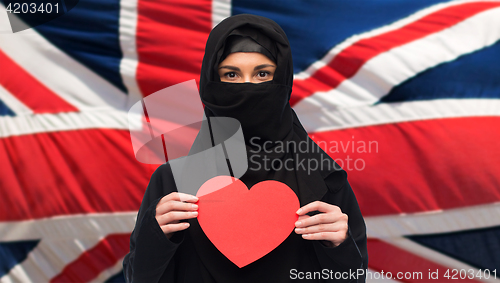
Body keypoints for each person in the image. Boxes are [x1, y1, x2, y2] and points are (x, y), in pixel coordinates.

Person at [123, 14, 368, 282]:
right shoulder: (173, 181)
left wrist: (340, 246)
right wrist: (155, 236)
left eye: (263, 74)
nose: (247, 87)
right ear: (210, 82)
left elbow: (352, 278)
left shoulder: (323, 180)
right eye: (231, 75)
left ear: (283, 79)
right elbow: (139, 278)